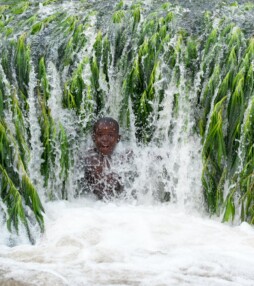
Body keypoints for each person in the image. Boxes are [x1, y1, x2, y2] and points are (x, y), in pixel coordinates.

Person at [83, 117, 124, 200]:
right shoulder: (86, 159)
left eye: (110, 135)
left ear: (118, 138)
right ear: (94, 138)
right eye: (100, 135)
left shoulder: (124, 158)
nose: (105, 139)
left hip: (120, 207)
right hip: (92, 207)